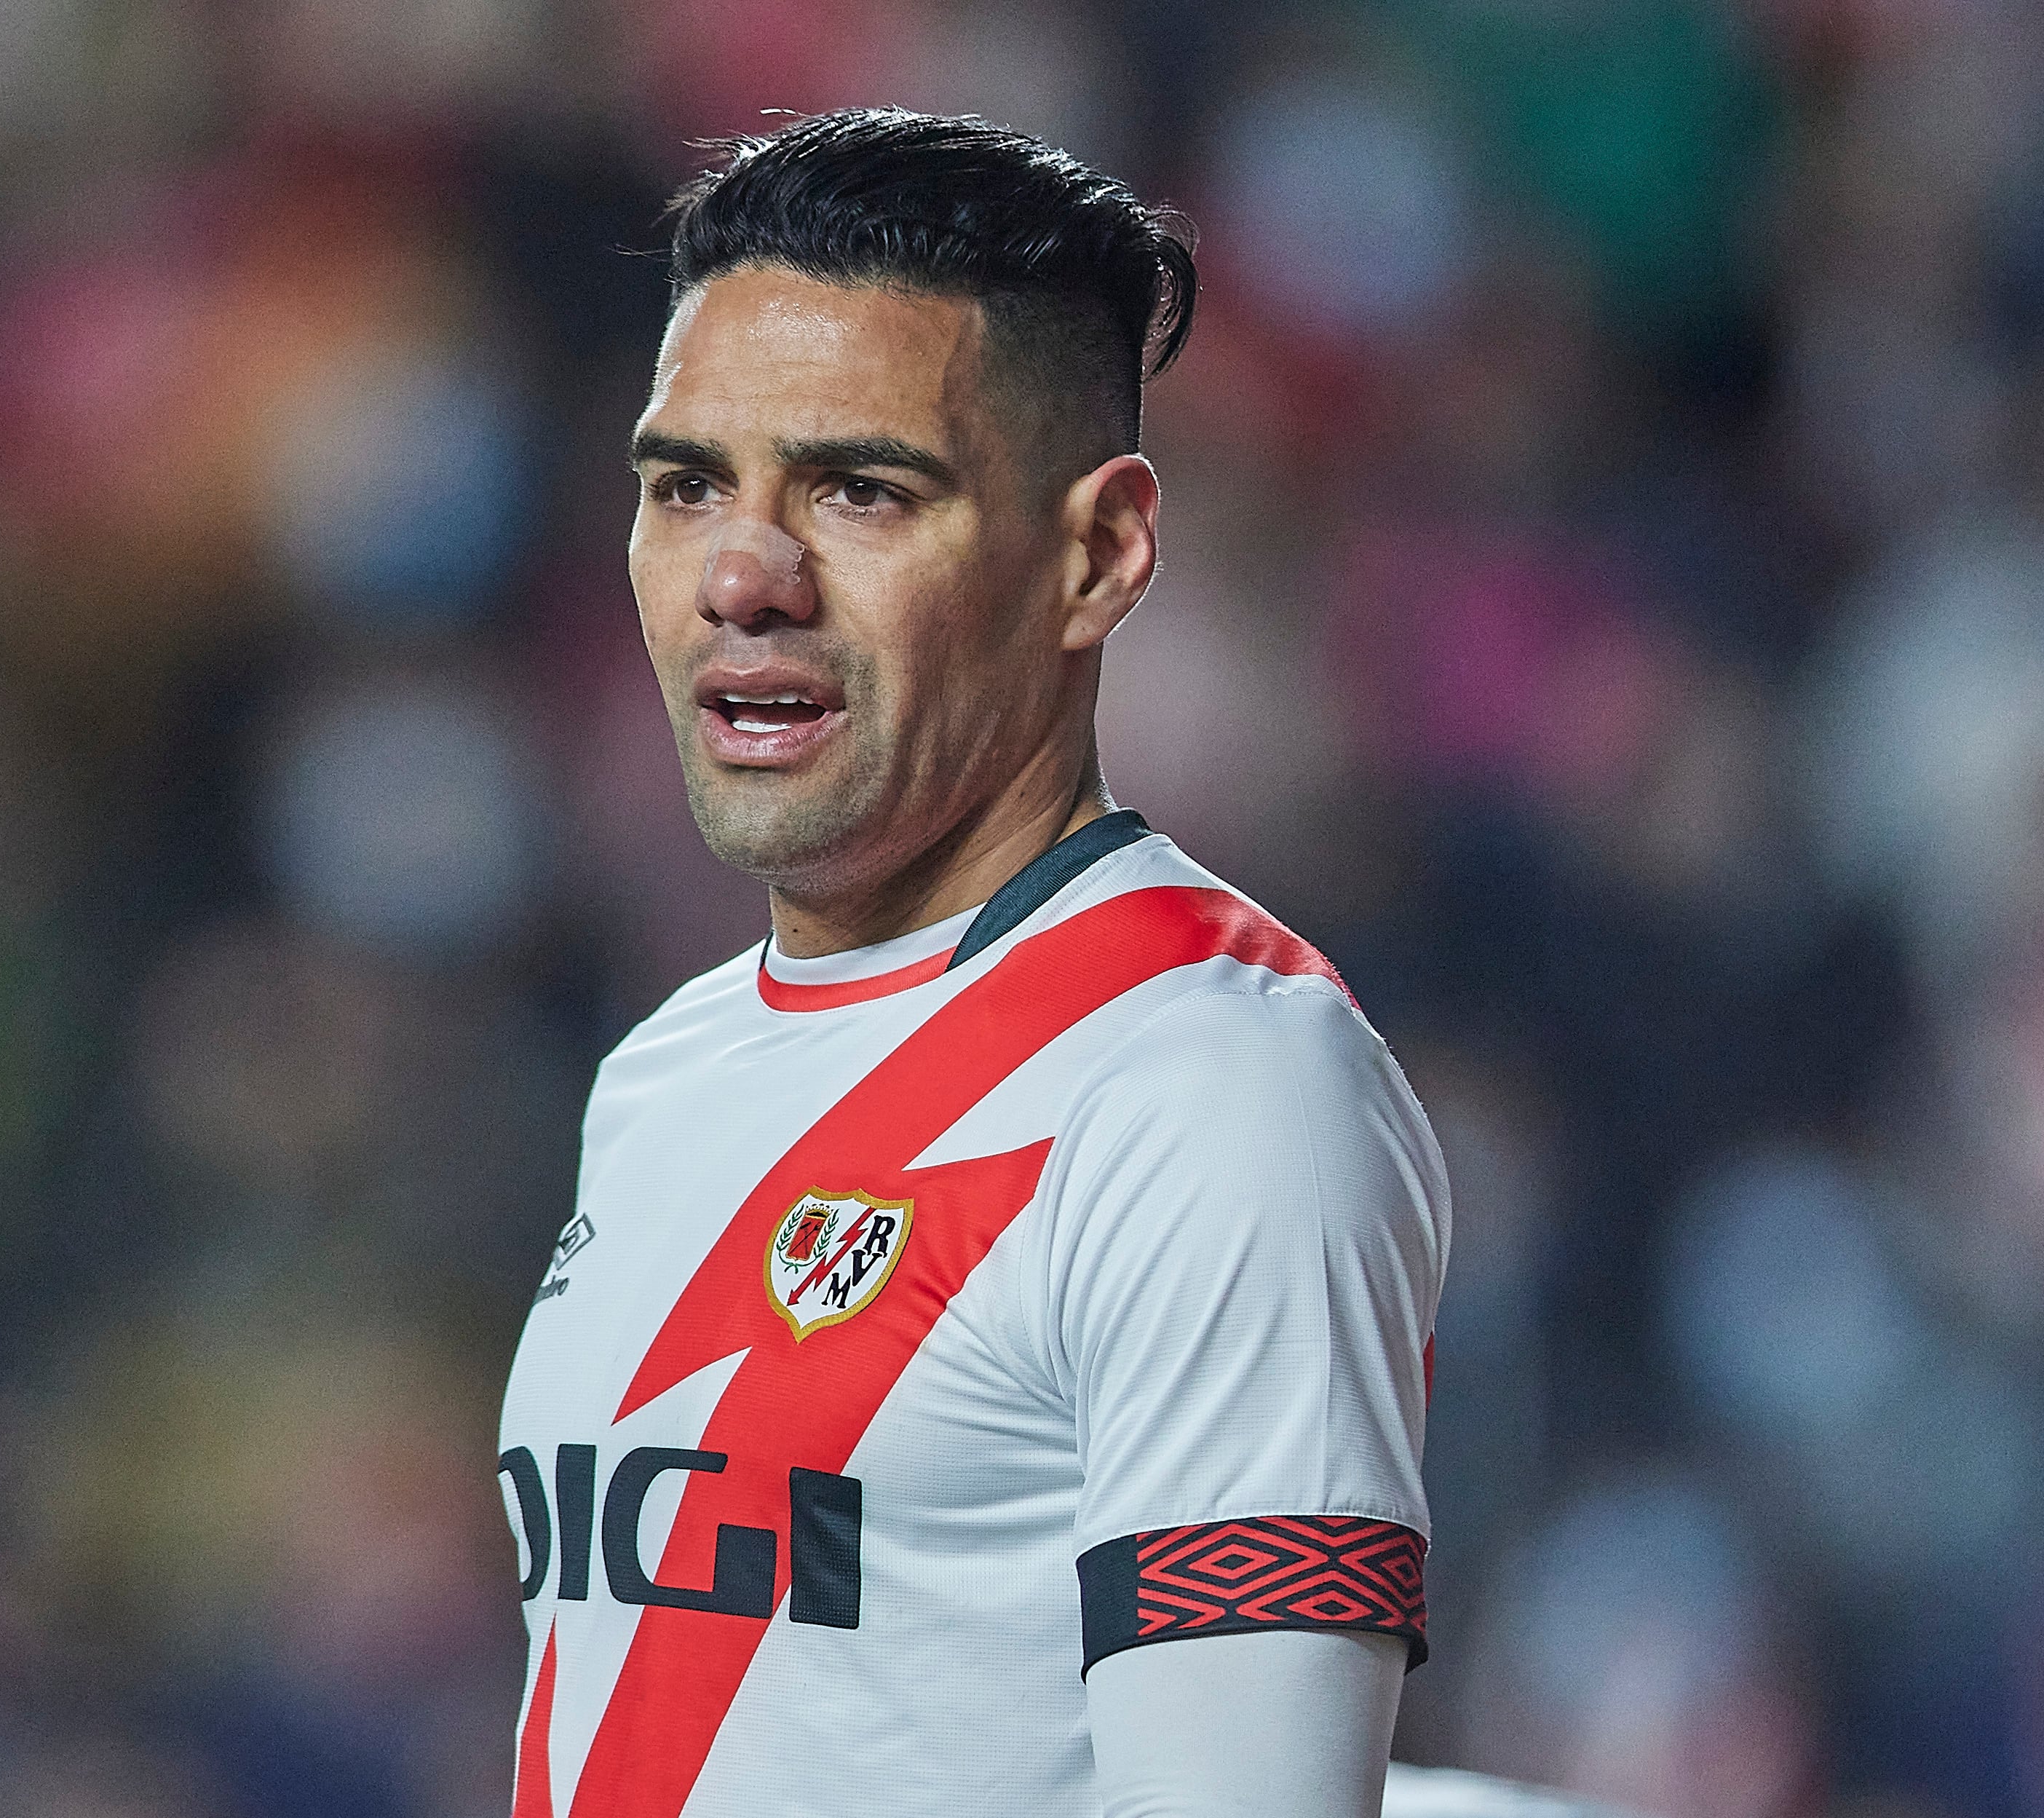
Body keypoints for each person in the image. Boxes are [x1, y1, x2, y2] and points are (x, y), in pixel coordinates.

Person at [496, 110, 1449, 1817]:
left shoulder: (1214, 1096)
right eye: (685, 483)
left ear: (1100, 556)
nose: (741, 576)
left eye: (861, 489)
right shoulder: (663, 1075)